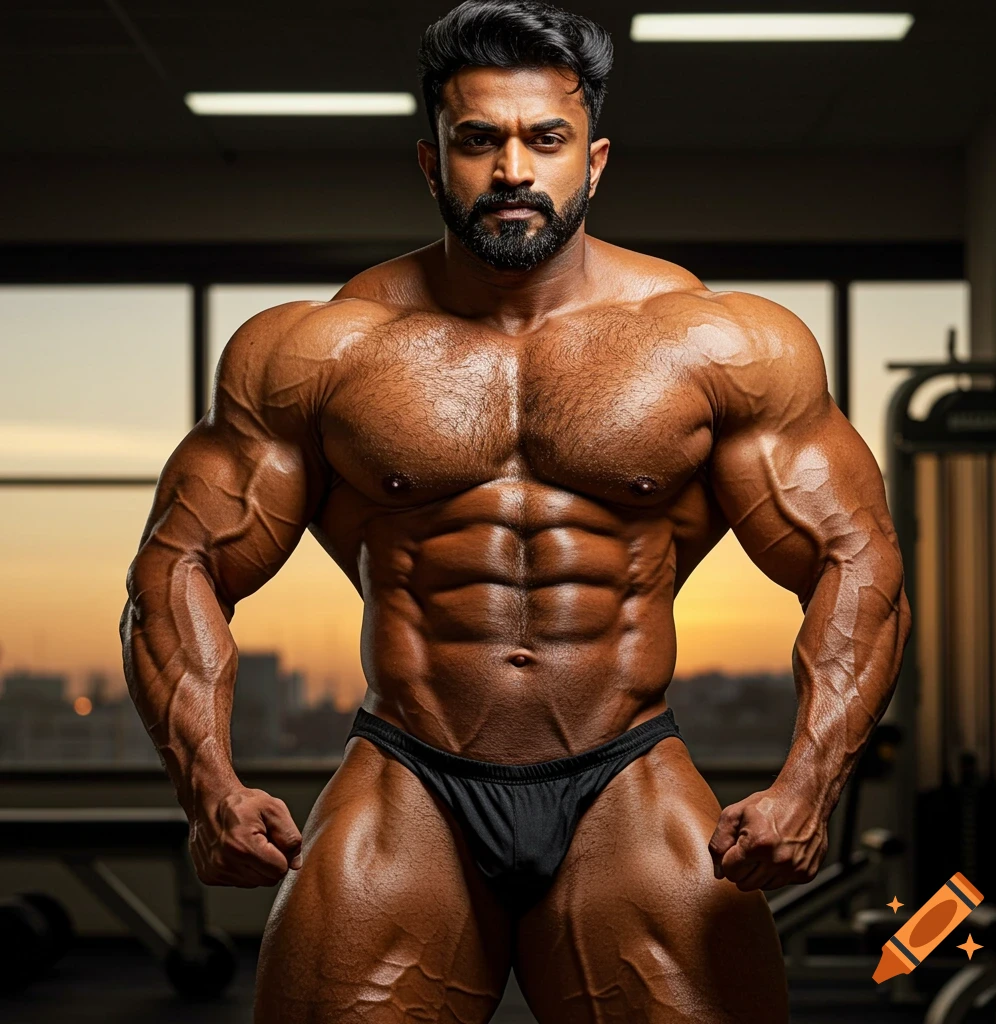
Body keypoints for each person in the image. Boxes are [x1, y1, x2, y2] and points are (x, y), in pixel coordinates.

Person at [120, 2, 912, 1020]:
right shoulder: (316, 353)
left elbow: (855, 558)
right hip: (410, 772)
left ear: (596, 158)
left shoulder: (718, 346)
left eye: (545, 139)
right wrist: (210, 784)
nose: (512, 170)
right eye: (477, 140)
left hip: (624, 769)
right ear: (429, 159)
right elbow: (177, 565)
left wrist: (808, 782)